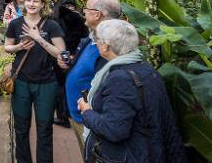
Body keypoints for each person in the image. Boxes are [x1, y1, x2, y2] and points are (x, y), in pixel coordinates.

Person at [77, 20, 187, 163]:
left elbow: (114, 130)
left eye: (97, 40)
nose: (95, 43)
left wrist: (87, 112)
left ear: (105, 46)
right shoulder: (145, 69)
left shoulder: (121, 79)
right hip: (149, 151)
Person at [4, 0, 67, 163]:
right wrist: (19, 47)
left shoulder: (51, 25)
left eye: (35, 1)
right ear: (23, 2)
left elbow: (61, 54)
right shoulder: (15, 24)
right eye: (28, 0)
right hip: (21, 82)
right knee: (21, 129)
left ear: (42, 4)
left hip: (46, 83)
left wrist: (38, 38)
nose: (31, 4)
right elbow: (7, 46)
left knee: (44, 129)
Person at [61, 0, 120, 150]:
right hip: (80, 115)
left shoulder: (111, 45)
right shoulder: (93, 37)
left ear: (97, 14)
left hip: (92, 121)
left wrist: (92, 116)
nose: (83, 12)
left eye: (85, 9)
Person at [51, 0, 88, 128]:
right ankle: (73, 113)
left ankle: (62, 116)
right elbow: (84, 36)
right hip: (76, 56)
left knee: (60, 86)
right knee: (72, 84)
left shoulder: (55, 15)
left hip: (59, 56)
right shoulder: (79, 17)